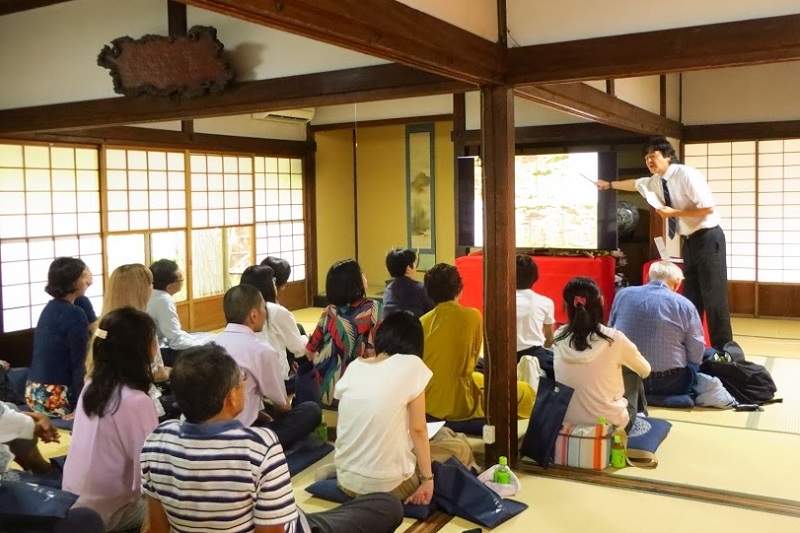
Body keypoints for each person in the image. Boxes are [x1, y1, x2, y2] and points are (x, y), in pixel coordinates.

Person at [140, 344, 404, 533]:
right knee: (387, 504)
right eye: (241, 381)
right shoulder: (259, 446)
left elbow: (157, 526)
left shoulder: (157, 440)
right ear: (230, 397)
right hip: (292, 526)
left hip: (282, 516)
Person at [597, 136, 733, 352]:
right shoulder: (655, 181)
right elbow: (635, 184)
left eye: (653, 156)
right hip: (689, 241)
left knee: (714, 298)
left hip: (709, 237)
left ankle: (724, 350)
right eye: (646, 158)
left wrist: (673, 213)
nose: (649, 161)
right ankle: (692, 346)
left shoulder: (686, 175)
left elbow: (708, 208)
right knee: (691, 298)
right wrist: (609, 185)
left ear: (668, 156)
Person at [333, 311, 474, 505]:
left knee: (444, 433)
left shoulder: (355, 367)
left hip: (345, 481)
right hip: (389, 485)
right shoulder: (411, 364)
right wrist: (427, 480)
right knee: (461, 448)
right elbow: (418, 429)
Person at [62, 307, 160, 532]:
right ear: (139, 350)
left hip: (73, 502)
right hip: (110, 511)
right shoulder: (136, 401)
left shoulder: (91, 385)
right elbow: (150, 474)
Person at [420, 263, 534, 421]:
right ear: (459, 288)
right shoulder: (472, 316)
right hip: (458, 402)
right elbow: (472, 358)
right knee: (525, 391)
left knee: (478, 376)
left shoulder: (422, 321)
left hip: (428, 399)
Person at [213, 284, 320, 448]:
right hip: (241, 440)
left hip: (206, 431)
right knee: (310, 410)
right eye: (264, 308)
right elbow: (282, 405)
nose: (266, 312)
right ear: (254, 315)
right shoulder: (261, 351)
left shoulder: (210, 343)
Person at [553, 277, 651, 431]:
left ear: (566, 305)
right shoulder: (614, 339)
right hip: (608, 426)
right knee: (632, 370)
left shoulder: (558, 336)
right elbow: (645, 370)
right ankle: (640, 415)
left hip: (565, 422)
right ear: (602, 301)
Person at [610, 261, 705, 398]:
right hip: (671, 381)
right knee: (700, 362)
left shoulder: (623, 295)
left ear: (648, 277)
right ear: (677, 283)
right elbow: (696, 350)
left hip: (626, 379)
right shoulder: (684, 304)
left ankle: (639, 396)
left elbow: (611, 330)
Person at [90, 264, 172, 418]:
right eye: (150, 284)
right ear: (142, 290)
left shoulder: (102, 325)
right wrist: (174, 371)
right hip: (137, 401)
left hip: (104, 398)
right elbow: (155, 372)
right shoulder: (142, 327)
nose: (152, 288)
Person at [303, 259, 382, 406]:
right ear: (353, 282)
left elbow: (309, 351)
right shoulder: (373, 308)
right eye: (361, 273)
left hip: (325, 390)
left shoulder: (329, 311)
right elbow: (374, 352)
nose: (364, 275)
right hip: (358, 389)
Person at [26, 257, 93, 417]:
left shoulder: (49, 308)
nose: (88, 280)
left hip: (33, 394)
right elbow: (79, 363)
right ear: (72, 281)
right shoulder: (75, 313)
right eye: (83, 276)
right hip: (56, 397)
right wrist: (80, 406)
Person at [240, 265, 309, 384]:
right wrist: (309, 341)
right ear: (267, 286)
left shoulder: (239, 309)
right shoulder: (275, 311)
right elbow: (299, 349)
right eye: (273, 280)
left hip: (245, 379)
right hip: (276, 381)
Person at [146, 259, 204, 366]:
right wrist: (202, 345)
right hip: (154, 353)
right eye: (181, 279)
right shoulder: (164, 300)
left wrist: (196, 339)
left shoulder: (151, 293)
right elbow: (176, 341)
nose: (183, 281)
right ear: (169, 286)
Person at [515, 254, 556, 379]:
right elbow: (549, 338)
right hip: (535, 354)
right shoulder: (545, 302)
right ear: (535, 277)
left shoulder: (497, 300)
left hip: (502, 354)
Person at [382, 247, 434, 318]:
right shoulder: (420, 288)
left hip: (390, 325)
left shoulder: (388, 289)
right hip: (413, 324)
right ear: (408, 268)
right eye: (413, 263)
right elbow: (431, 312)